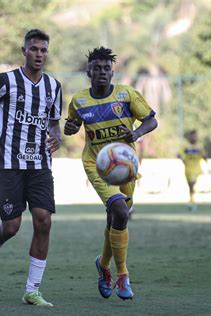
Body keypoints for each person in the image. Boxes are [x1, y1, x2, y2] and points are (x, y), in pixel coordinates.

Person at [0, 29, 62, 306]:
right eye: (34, 49)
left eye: (43, 50)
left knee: (43, 219)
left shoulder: (53, 87)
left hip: (40, 163)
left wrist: (56, 136)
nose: (39, 54)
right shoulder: (5, 81)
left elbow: (54, 122)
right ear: (24, 51)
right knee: (11, 227)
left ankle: (32, 290)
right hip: (8, 162)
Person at [64, 47, 157, 300]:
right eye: (97, 68)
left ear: (112, 71)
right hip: (96, 163)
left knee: (116, 220)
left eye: (106, 68)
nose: (102, 72)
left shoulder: (127, 95)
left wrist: (136, 133)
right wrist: (70, 127)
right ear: (89, 72)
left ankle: (103, 266)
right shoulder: (79, 100)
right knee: (120, 211)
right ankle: (123, 276)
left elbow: (151, 121)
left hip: (125, 166)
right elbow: (71, 126)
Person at [177, 130, 210, 211]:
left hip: (196, 169)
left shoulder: (199, 146)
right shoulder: (185, 145)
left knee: (192, 183)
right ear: (190, 137)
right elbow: (179, 154)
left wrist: (209, 166)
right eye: (193, 136)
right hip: (188, 169)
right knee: (190, 186)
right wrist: (182, 159)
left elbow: (204, 156)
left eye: (195, 136)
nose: (194, 138)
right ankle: (191, 200)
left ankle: (192, 202)